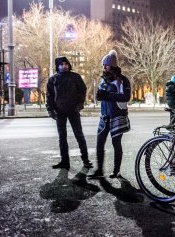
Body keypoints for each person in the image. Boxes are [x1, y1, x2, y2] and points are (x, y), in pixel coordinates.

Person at [88, 50, 131, 179]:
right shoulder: (103, 79)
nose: (104, 68)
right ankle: (99, 170)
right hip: (105, 116)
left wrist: (107, 95)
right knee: (99, 143)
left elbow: (126, 97)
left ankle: (116, 171)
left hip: (117, 116)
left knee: (116, 143)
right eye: (103, 66)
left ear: (112, 66)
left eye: (106, 65)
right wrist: (99, 96)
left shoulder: (123, 80)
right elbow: (103, 95)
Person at [46, 56, 92, 171]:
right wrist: (50, 110)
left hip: (73, 110)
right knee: (62, 137)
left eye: (66, 64)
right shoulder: (53, 79)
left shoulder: (75, 77)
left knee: (79, 135)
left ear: (69, 65)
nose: (64, 66)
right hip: (59, 111)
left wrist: (80, 104)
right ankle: (65, 161)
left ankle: (86, 160)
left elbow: (83, 90)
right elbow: (49, 96)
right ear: (57, 66)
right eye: (61, 64)